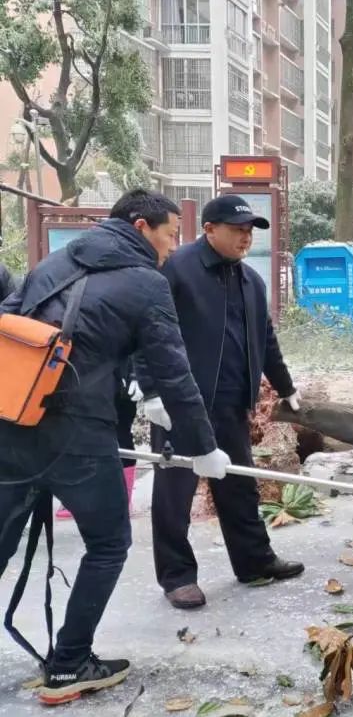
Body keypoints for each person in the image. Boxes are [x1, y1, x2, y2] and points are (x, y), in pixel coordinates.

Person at [0, 189, 229, 705]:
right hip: (78, 435)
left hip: (11, 427)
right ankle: (68, 665)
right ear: (142, 225)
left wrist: (145, 396)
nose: (174, 246)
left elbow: (11, 324)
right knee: (107, 544)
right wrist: (203, 448)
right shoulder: (147, 282)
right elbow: (176, 370)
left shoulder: (53, 263)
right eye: (171, 234)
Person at [136, 194, 302, 610]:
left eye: (249, 231)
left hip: (231, 403)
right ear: (209, 229)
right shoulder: (176, 270)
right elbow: (145, 328)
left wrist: (286, 387)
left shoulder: (251, 281)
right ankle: (177, 576)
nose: (245, 238)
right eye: (237, 230)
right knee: (175, 492)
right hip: (181, 404)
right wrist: (150, 389)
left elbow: (265, 340)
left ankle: (254, 561)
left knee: (238, 485)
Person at [56, 362, 140, 520]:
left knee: (122, 435)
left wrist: (136, 374)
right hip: (89, 373)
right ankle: (80, 496)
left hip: (122, 375)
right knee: (80, 432)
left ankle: (124, 499)